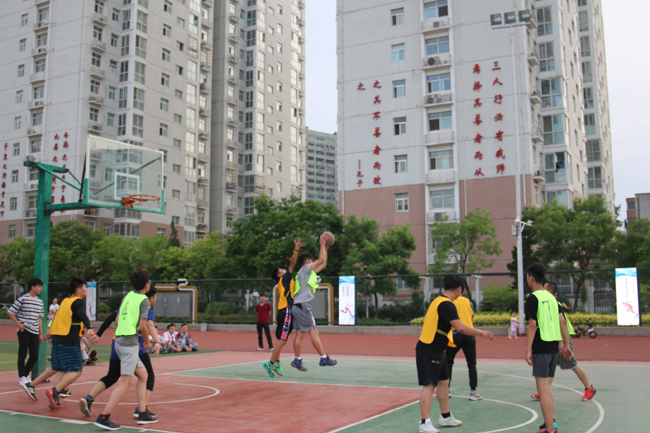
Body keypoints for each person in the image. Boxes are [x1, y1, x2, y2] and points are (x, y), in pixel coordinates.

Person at [417, 274, 494, 433]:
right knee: (429, 386)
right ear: (459, 289)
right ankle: (424, 423)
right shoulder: (446, 305)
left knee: (444, 382)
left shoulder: (439, 301)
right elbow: (460, 327)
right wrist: (481, 333)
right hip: (429, 349)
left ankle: (445, 417)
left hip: (438, 349)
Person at [80, 284, 162, 421]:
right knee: (145, 377)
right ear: (151, 298)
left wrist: (99, 334)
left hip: (117, 342)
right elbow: (148, 325)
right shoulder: (145, 307)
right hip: (133, 346)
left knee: (114, 375)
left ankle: (89, 398)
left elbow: (113, 319)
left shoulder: (128, 300)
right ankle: (138, 410)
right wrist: (155, 341)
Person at [94, 269, 157, 430]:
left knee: (143, 375)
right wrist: (147, 342)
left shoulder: (127, 296)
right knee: (125, 381)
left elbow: (116, 321)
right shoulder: (144, 300)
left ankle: (142, 412)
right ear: (146, 284)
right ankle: (104, 416)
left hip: (119, 340)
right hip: (129, 344)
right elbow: (143, 327)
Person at [30, 278, 98, 409]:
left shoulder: (65, 301)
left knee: (61, 369)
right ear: (78, 289)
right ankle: (54, 391)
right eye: (85, 287)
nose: (86, 290)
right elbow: (82, 315)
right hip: (69, 339)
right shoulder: (78, 302)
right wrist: (89, 327)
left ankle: (54, 396)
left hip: (57, 339)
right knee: (76, 370)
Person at [528, 282, 596, 402]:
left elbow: (561, 323)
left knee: (572, 364)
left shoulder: (553, 302)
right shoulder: (547, 302)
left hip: (561, 339)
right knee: (550, 367)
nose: (542, 289)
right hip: (554, 338)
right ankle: (544, 391)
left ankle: (589, 388)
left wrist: (563, 343)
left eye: (544, 288)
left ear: (549, 291)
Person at [525, 263, 572, 433]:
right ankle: (549, 422)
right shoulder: (552, 298)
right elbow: (563, 322)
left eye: (527, 276)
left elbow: (532, 325)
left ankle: (551, 429)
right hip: (553, 347)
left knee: (542, 388)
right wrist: (566, 345)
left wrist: (528, 349)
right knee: (546, 387)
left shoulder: (533, 298)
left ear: (531, 277)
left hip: (541, 345)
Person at [290, 234, 337, 371]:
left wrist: (325, 248)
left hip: (297, 306)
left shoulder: (305, 273)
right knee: (314, 332)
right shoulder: (306, 269)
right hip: (303, 305)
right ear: (307, 261)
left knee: (300, 334)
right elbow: (320, 260)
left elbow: (324, 263)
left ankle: (297, 360)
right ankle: (323, 358)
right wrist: (322, 244)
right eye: (311, 260)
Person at [263, 238, 305, 378]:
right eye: (282, 269)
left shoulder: (286, 281)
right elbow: (293, 263)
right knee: (283, 339)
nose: (284, 269)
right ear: (279, 275)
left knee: (281, 339)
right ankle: (270, 363)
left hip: (284, 310)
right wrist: (296, 250)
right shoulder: (285, 278)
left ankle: (276, 362)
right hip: (286, 310)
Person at [445, 278, 483, 401]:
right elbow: (471, 320)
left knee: (448, 363)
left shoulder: (450, 302)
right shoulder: (468, 302)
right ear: (460, 288)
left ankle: (446, 390)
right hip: (468, 335)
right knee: (472, 364)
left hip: (454, 335)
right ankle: (473, 391)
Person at [8, 278, 44, 389]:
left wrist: (41, 334)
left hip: (35, 331)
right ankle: (22, 377)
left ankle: (26, 373)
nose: (41, 289)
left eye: (41, 287)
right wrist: (18, 324)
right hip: (24, 330)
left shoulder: (40, 302)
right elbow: (10, 312)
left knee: (34, 354)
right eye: (39, 286)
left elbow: (39, 318)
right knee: (22, 353)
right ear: (32, 287)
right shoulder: (22, 299)